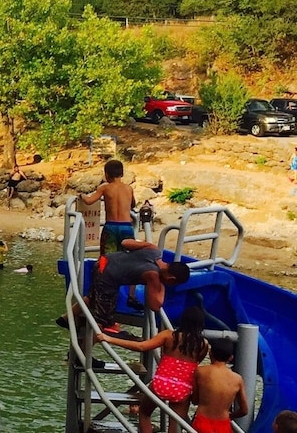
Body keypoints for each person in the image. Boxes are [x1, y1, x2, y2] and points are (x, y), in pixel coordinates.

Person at [97, 306, 208, 433]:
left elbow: (141, 346)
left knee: (144, 413)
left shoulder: (169, 335)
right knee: (175, 424)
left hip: (161, 383)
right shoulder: (203, 344)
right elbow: (196, 363)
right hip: (183, 388)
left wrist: (109, 338)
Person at [57, 239, 191, 335]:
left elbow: (125, 243)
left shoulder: (154, 250)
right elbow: (155, 305)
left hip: (103, 261)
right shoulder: (153, 275)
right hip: (109, 276)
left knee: (93, 297)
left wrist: (145, 244)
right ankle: (83, 355)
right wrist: (162, 287)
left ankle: (66, 318)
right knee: (103, 319)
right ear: (172, 280)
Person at [190, 339, 248, 433]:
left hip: (202, 422)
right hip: (223, 425)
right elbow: (244, 410)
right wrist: (230, 416)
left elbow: (195, 400)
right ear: (230, 358)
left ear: (210, 353)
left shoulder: (200, 371)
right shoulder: (237, 379)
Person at [81, 159, 136, 255]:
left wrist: (81, 196)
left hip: (111, 226)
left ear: (106, 175)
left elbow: (89, 201)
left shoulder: (105, 188)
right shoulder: (129, 188)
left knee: (107, 257)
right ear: (122, 174)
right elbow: (133, 204)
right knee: (128, 257)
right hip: (126, 226)